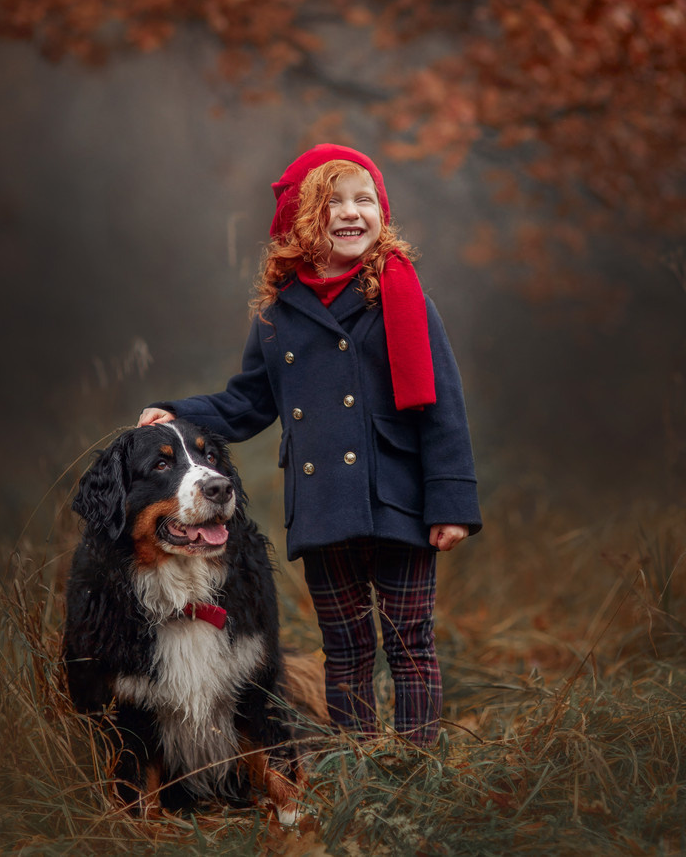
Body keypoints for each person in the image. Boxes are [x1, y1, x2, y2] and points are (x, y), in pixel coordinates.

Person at [138, 143, 482, 746]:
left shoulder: (402, 298)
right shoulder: (277, 315)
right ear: (300, 222)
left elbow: (444, 409)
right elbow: (246, 402)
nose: (351, 213)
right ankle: (358, 760)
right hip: (323, 504)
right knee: (345, 648)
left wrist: (451, 503)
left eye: (364, 199)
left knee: (410, 641)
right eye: (332, 203)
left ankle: (417, 766)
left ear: (382, 212)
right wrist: (180, 411)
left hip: (397, 496)